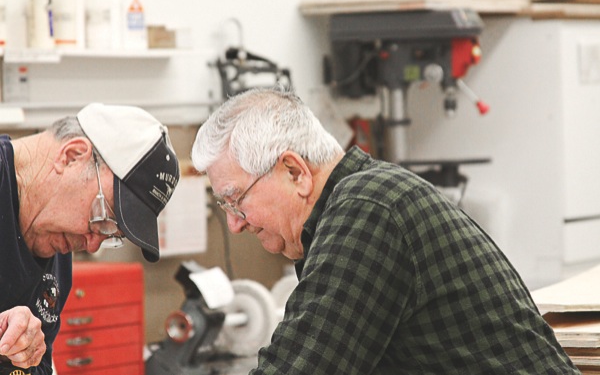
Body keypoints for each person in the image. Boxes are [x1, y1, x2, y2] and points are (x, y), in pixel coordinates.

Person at [191, 87, 581, 375]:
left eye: (235, 199)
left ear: (295, 172)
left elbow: (302, 368)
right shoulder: (358, 203)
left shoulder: (368, 207)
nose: (234, 223)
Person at [0, 103, 180, 374]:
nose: (94, 244)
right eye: (102, 215)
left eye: (111, 234)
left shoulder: (58, 257)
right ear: (71, 156)